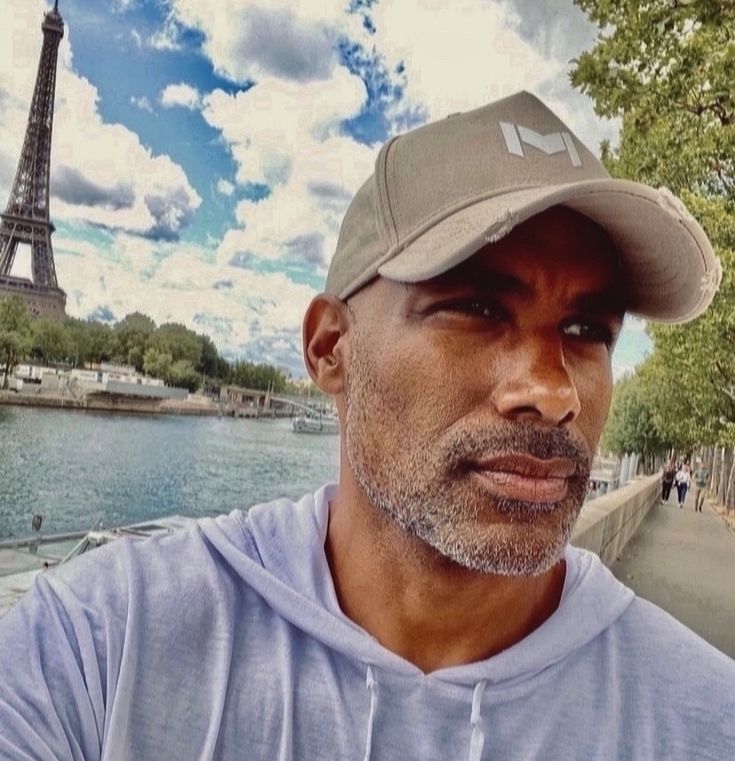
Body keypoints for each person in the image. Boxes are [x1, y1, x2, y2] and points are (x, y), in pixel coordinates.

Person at [0, 92, 732, 760]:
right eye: (476, 308)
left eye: (586, 328)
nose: (550, 392)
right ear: (329, 348)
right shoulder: (95, 643)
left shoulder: (707, 717)